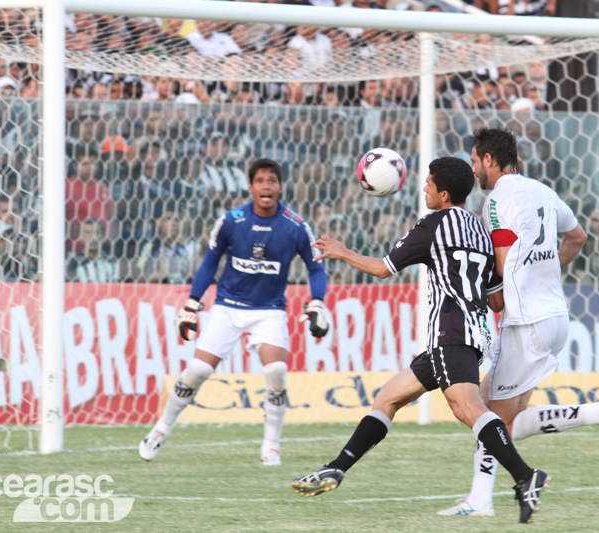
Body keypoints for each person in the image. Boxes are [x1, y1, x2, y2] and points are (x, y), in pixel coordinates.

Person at [290, 157, 549, 524]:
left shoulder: (432, 225)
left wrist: (342, 251)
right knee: (388, 397)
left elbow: (383, 269)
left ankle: (525, 477)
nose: (423, 189)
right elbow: (496, 298)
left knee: (467, 409)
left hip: (451, 333)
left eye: (428, 185)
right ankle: (336, 468)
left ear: (444, 194)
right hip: (472, 333)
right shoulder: (479, 230)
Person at [438, 128, 599, 518]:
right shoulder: (543, 191)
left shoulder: (496, 201)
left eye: (476, 161)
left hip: (525, 321)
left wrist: (490, 292)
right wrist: (545, 270)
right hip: (556, 317)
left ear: (490, 161)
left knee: (484, 411)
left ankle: (481, 499)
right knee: (505, 423)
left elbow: (501, 265)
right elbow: (578, 237)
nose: (475, 169)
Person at [139, 158, 330, 466]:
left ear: (280, 187)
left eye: (272, 180)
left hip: (269, 310)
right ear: (251, 187)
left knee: (276, 372)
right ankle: (160, 429)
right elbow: (210, 262)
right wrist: (192, 303)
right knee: (198, 371)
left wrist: (318, 301)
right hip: (228, 307)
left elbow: (315, 267)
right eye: (260, 180)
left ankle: (271, 447)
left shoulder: (295, 226)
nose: (266, 186)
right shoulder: (232, 220)